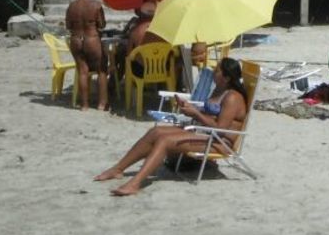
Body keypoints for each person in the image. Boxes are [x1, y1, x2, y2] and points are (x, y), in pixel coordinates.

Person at [94, 57, 248, 196]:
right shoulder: (219, 90)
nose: (214, 72)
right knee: (156, 132)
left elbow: (220, 129)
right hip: (205, 134)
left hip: (219, 143)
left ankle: (135, 183)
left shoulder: (233, 97)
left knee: (165, 141)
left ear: (226, 78)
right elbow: (210, 114)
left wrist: (195, 114)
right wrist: (189, 107)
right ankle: (118, 169)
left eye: (218, 70)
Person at [65, 0, 108, 111]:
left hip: (77, 40)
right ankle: (101, 104)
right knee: (101, 70)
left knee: (82, 72)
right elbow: (101, 25)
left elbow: (68, 26)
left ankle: (84, 105)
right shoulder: (96, 5)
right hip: (92, 40)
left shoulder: (72, 6)